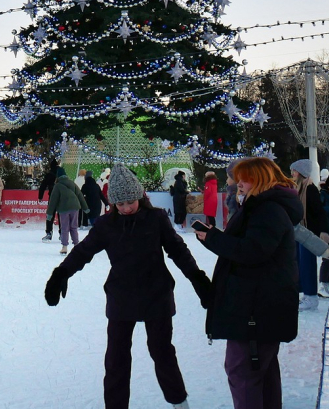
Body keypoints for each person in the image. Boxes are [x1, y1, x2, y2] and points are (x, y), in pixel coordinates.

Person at [46, 164, 208, 409]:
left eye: (130, 202)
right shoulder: (106, 225)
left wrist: (197, 278)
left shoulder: (156, 219)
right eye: (119, 204)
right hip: (122, 296)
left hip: (157, 294)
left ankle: (179, 403)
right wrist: (61, 274)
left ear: (140, 197)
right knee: (116, 359)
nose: (125, 208)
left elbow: (178, 250)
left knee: (162, 353)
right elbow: (83, 252)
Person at [196, 157, 303, 409]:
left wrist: (212, 238)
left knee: (243, 371)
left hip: (256, 308)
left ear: (257, 179)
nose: (237, 184)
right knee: (258, 371)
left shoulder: (268, 209)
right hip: (255, 304)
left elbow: (252, 251)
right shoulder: (263, 206)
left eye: (242, 179)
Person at [289, 160, 326, 311]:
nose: (292, 174)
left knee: (307, 265)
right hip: (300, 232)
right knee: (301, 264)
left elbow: (318, 211)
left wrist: (323, 231)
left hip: (308, 233)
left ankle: (311, 296)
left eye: (294, 171)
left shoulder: (310, 189)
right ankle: (306, 294)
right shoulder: (299, 188)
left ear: (300, 172)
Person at [46, 168, 87, 255]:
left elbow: (53, 200)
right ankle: (76, 245)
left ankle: (64, 247)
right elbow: (80, 195)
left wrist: (49, 214)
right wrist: (85, 207)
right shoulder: (72, 183)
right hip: (75, 207)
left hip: (64, 208)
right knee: (74, 227)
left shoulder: (57, 186)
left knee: (65, 228)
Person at [38, 170, 55, 241]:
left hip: (52, 197)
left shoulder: (50, 174)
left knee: (50, 215)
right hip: (62, 198)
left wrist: (40, 196)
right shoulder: (62, 174)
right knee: (62, 216)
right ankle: (62, 233)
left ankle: (49, 232)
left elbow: (43, 185)